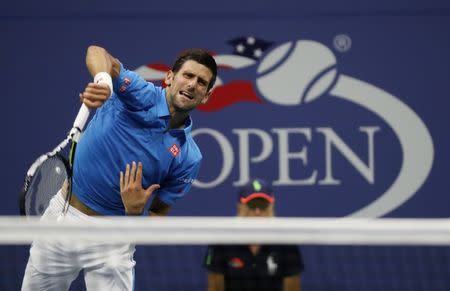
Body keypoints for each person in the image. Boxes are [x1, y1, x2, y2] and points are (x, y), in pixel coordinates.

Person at [21, 45, 217, 291]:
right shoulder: (139, 93)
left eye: (201, 82)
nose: (192, 84)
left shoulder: (189, 157)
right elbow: (97, 52)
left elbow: (158, 214)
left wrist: (135, 214)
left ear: (207, 95)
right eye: (188, 75)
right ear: (170, 78)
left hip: (114, 238)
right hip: (63, 218)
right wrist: (104, 81)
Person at [204, 178, 305, 291]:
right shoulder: (221, 243)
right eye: (252, 205)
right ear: (240, 208)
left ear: (271, 208)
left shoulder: (287, 244)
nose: (257, 211)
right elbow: (215, 288)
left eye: (262, 205)